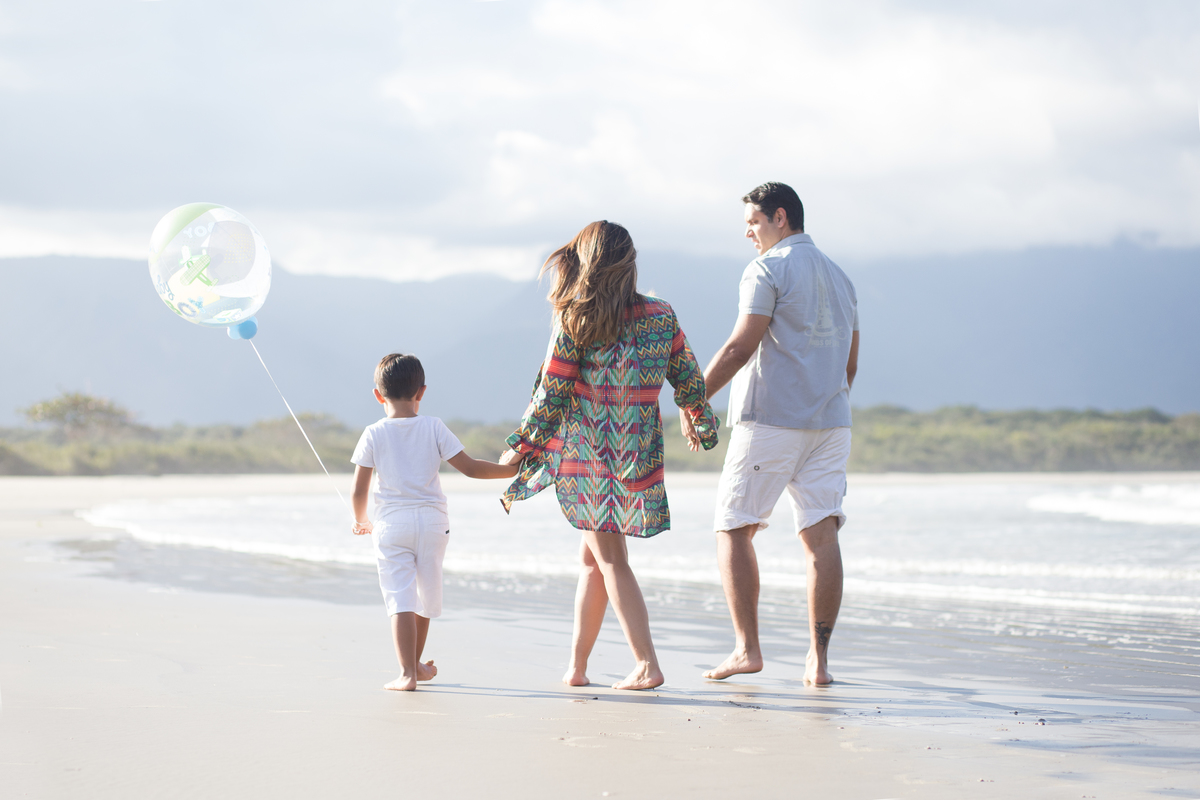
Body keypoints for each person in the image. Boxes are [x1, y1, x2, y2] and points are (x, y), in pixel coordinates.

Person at [499, 220, 720, 691]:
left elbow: (552, 394)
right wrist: (698, 418)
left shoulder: (577, 317)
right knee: (593, 561)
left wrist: (518, 448)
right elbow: (688, 376)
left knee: (612, 560)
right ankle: (577, 667)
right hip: (636, 452)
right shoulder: (661, 315)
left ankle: (646, 663)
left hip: (590, 458)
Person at [682, 182, 859, 686]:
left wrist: (694, 398)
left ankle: (747, 649)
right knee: (820, 534)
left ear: (780, 218)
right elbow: (850, 364)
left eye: (754, 224)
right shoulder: (842, 278)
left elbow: (741, 346)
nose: (749, 235)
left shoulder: (767, 269)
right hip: (832, 424)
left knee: (734, 527)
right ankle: (818, 662)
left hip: (772, 422)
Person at [350, 353, 518, 691]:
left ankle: (407, 673)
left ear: (377, 395)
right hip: (432, 524)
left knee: (400, 599)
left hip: (391, 526)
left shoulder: (373, 433)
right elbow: (470, 468)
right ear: (421, 392)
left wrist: (361, 520)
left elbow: (358, 490)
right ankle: (416, 666)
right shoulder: (433, 426)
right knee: (425, 598)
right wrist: (510, 470)